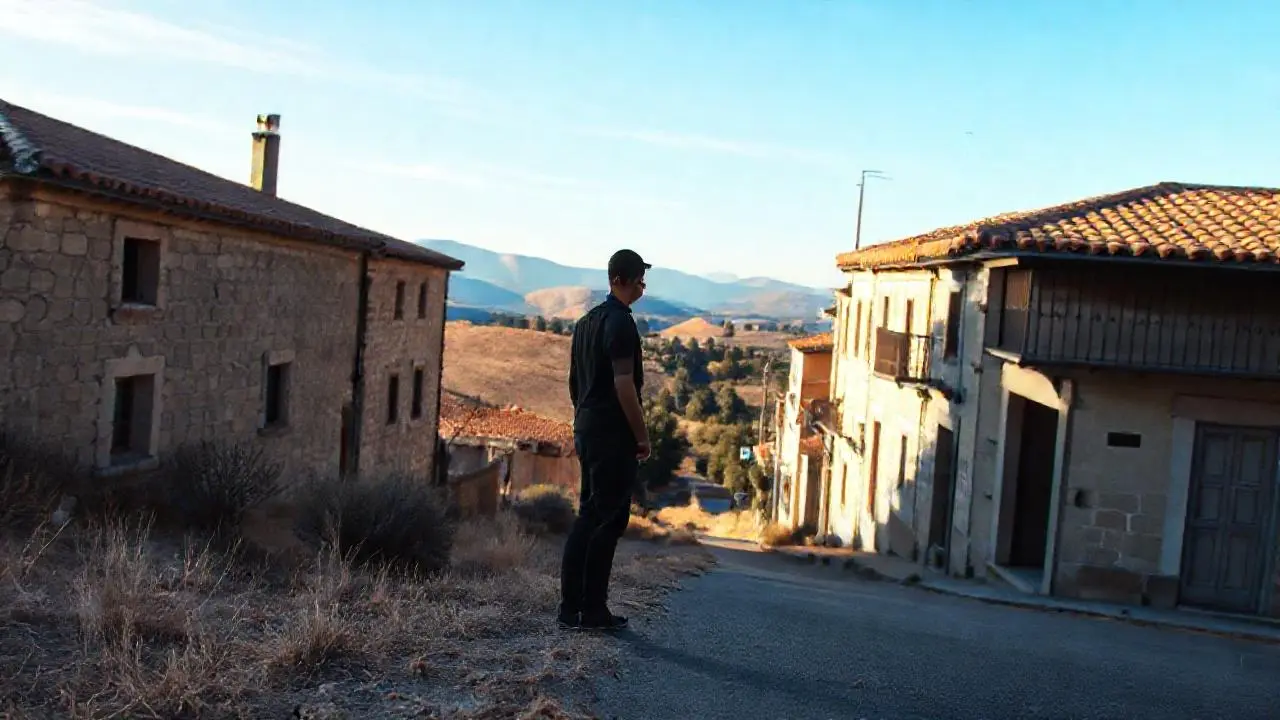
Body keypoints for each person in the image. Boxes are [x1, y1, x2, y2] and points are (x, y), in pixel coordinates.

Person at [559, 249, 652, 632]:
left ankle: (571, 608)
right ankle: (593, 610)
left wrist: (585, 420)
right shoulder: (621, 323)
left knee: (589, 515)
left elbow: (574, 385)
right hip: (612, 433)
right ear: (619, 280)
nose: (642, 286)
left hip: (587, 426)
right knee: (608, 520)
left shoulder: (585, 323)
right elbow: (624, 385)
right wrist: (641, 435)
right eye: (638, 279)